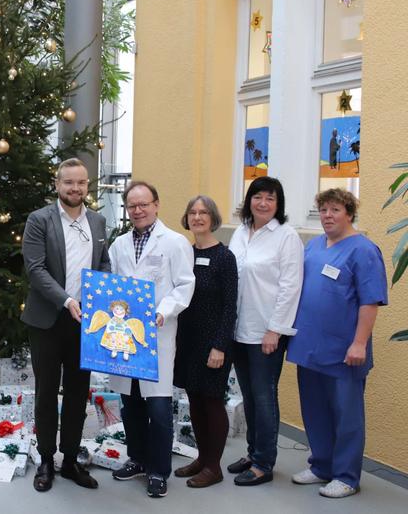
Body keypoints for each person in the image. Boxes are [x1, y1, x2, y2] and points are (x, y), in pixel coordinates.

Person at [287, 189, 387, 498]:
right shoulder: (314, 246)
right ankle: (321, 466)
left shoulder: (363, 250)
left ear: (349, 214)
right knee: (315, 411)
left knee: (347, 415)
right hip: (310, 346)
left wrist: (359, 343)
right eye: (324, 210)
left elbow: (370, 302)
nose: (328, 215)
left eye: (335, 210)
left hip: (344, 352)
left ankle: (346, 476)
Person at [21, 158, 111, 492]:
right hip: (47, 321)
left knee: (77, 393)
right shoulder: (39, 220)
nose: (75, 189)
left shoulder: (99, 222)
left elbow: (103, 264)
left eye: (81, 183)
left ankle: (70, 459)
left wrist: (102, 298)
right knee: (46, 392)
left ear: (89, 186)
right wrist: (66, 300)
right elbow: (35, 269)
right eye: (68, 183)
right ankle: (46, 459)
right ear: (57, 184)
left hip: (85, 323)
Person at [108, 181, 195, 499]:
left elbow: (185, 285)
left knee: (158, 408)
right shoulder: (118, 245)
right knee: (130, 403)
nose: (138, 210)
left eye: (143, 204)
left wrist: (163, 311)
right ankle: (138, 458)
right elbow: (114, 288)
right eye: (132, 205)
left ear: (156, 205)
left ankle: (158, 470)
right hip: (125, 337)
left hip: (157, 334)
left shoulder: (174, 242)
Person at [227, 176, 303, 486]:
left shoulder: (287, 237)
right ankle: (253, 452)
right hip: (238, 330)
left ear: (278, 204)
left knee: (264, 396)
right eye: (258, 197)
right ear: (249, 201)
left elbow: (290, 286)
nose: (263, 203)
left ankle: (263, 463)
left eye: (270, 198)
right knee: (249, 395)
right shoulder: (241, 233)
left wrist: (275, 330)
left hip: (266, 332)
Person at [172, 195, 238, 488]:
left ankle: (214, 466)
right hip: (186, 340)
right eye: (193, 212)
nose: (197, 217)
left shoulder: (225, 257)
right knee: (194, 400)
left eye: (203, 212)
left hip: (213, 342)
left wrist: (220, 346)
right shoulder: (184, 253)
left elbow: (230, 306)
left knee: (212, 401)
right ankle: (202, 458)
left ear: (213, 218)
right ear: (187, 218)